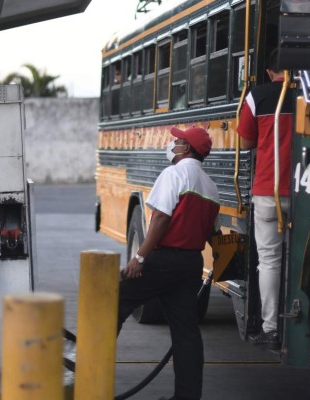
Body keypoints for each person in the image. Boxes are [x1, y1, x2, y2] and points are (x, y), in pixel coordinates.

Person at [118, 126, 220, 400]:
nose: (172, 143)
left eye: (177, 140)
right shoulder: (211, 186)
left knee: (113, 300)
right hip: (190, 264)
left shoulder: (173, 174)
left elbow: (161, 219)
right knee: (186, 331)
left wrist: (140, 258)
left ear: (186, 148)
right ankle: (187, 396)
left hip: (164, 259)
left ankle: (92, 377)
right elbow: (214, 233)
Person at [237, 50, 293, 349]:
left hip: (267, 189)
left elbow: (245, 142)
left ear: (271, 72)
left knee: (269, 261)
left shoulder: (256, 96)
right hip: (305, 190)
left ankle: (271, 329)